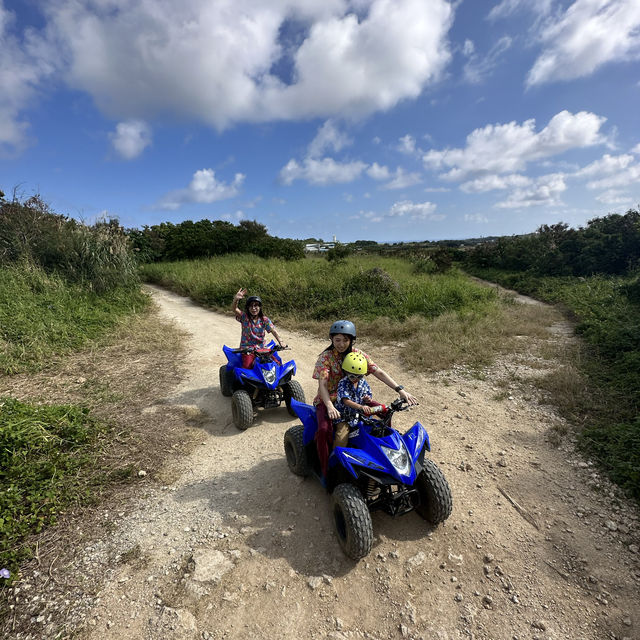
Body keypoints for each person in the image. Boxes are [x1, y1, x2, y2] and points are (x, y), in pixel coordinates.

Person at [312, 319, 417, 478]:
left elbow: (378, 371)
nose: (341, 344)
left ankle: (385, 453)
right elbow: (323, 385)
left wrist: (400, 390)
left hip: (356, 398)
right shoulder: (325, 358)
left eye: (345, 340)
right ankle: (326, 468)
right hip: (331, 400)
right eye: (337, 340)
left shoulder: (358, 354)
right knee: (324, 430)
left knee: (384, 412)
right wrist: (329, 406)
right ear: (331, 339)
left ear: (351, 340)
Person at [333, 352, 389, 448]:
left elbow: (367, 396)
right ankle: (336, 457)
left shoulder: (363, 382)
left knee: (379, 425)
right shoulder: (343, 382)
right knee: (341, 436)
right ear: (346, 372)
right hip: (345, 416)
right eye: (352, 376)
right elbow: (346, 401)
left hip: (361, 415)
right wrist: (361, 407)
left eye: (359, 376)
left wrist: (367, 399)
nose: (356, 379)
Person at [232, 288, 285, 369]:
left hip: (261, 349)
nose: (253, 308)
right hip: (247, 349)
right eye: (251, 306)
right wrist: (236, 299)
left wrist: (281, 342)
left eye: (256, 305)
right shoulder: (244, 317)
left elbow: (273, 331)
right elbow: (234, 309)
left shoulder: (265, 320)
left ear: (260, 307)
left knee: (277, 364)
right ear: (248, 308)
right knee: (247, 367)